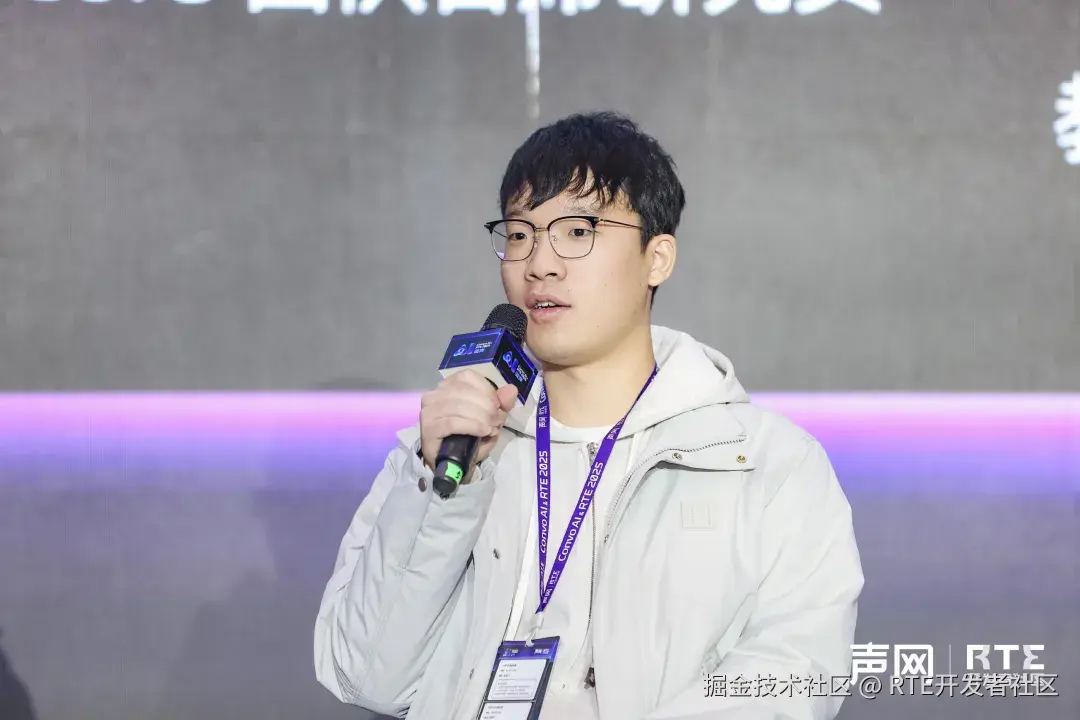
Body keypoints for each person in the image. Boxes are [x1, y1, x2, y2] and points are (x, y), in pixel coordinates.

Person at [314, 111, 864, 720]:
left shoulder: (766, 465)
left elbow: (791, 674)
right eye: (519, 234)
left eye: (577, 231)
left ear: (657, 258)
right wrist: (441, 490)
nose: (539, 264)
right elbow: (367, 677)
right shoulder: (449, 451)